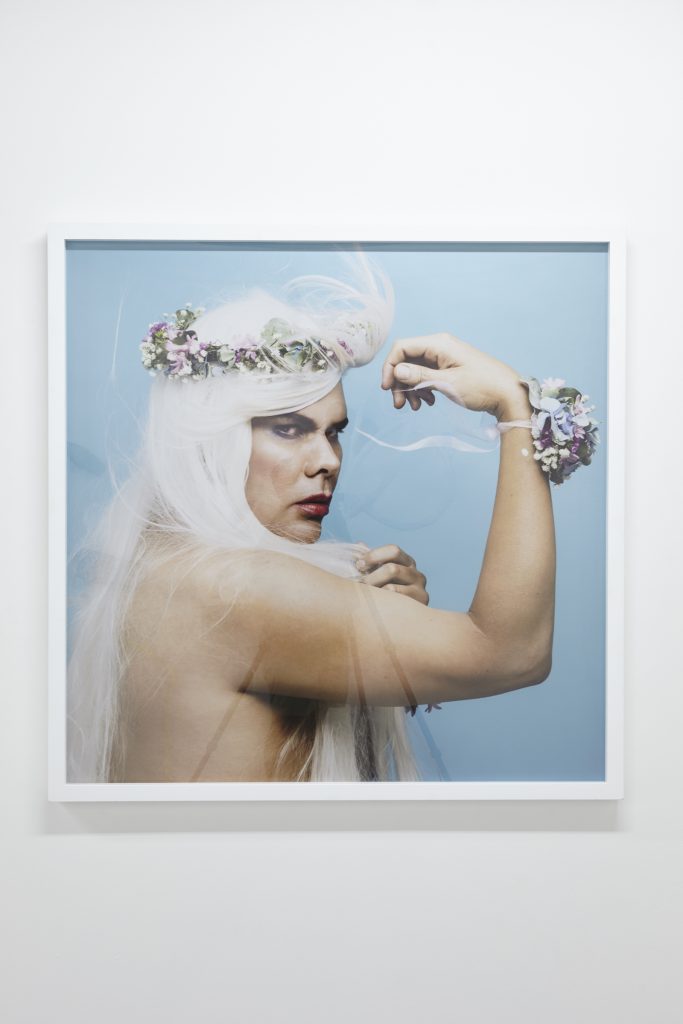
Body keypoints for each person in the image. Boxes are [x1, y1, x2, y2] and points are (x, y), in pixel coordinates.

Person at [67, 256, 556, 784]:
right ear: (214, 438)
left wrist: (381, 621)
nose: (327, 460)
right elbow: (512, 653)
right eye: (289, 429)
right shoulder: (234, 588)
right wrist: (517, 406)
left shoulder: (167, 567)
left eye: (333, 432)